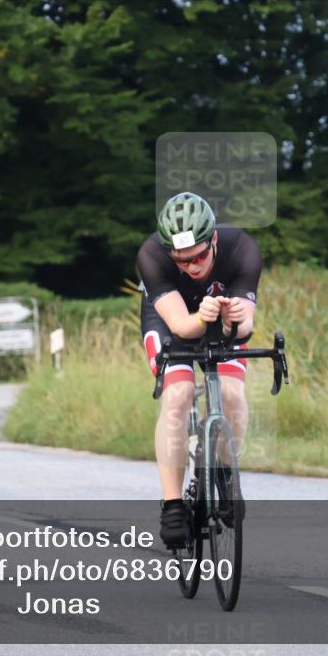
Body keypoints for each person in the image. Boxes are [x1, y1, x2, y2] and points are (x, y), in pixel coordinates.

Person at [136, 191, 262, 548]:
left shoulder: (242, 249)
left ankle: (223, 472)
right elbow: (180, 327)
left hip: (218, 321)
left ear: (214, 240)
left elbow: (245, 327)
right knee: (178, 396)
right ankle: (173, 504)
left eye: (200, 257)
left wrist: (233, 320)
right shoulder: (150, 255)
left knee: (234, 395)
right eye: (182, 261)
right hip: (170, 323)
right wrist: (201, 317)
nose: (192, 267)